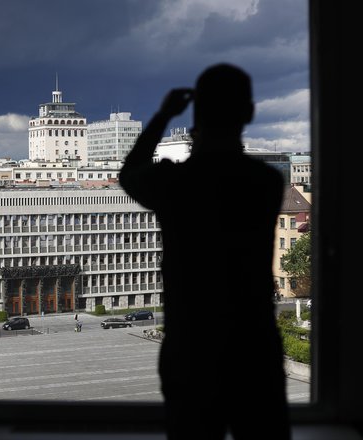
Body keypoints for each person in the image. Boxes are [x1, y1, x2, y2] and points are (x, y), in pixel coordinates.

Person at [119, 64, 291, 440]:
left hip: (191, 344)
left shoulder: (177, 183)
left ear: (196, 118)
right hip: (252, 344)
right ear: (248, 113)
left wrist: (164, 115)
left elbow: (129, 173)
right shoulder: (265, 181)